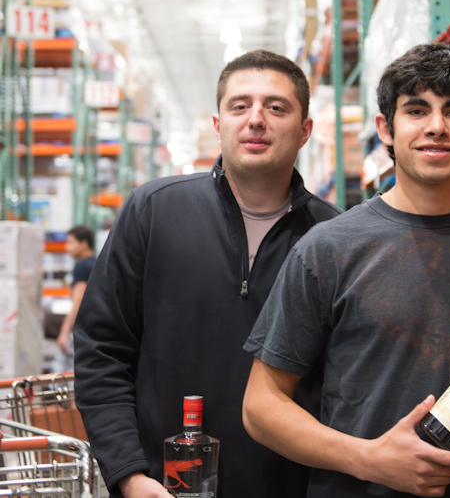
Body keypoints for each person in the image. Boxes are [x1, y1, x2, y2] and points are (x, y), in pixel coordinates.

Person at [242, 43, 450, 498]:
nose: (437, 127)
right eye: (416, 110)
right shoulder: (327, 250)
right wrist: (369, 459)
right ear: (385, 130)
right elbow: (260, 406)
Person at [74, 50, 342, 498]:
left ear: (305, 130)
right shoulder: (153, 212)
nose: (255, 119)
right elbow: (101, 351)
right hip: (163, 487)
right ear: (218, 125)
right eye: (240, 106)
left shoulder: (334, 237)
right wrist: (129, 474)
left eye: (276, 107)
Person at [54, 225, 95, 372]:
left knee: (65, 374)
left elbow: (78, 299)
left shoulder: (82, 267)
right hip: (96, 328)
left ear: (84, 243)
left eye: (71, 242)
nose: (67, 247)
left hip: (82, 328)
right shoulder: (98, 263)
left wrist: (64, 332)